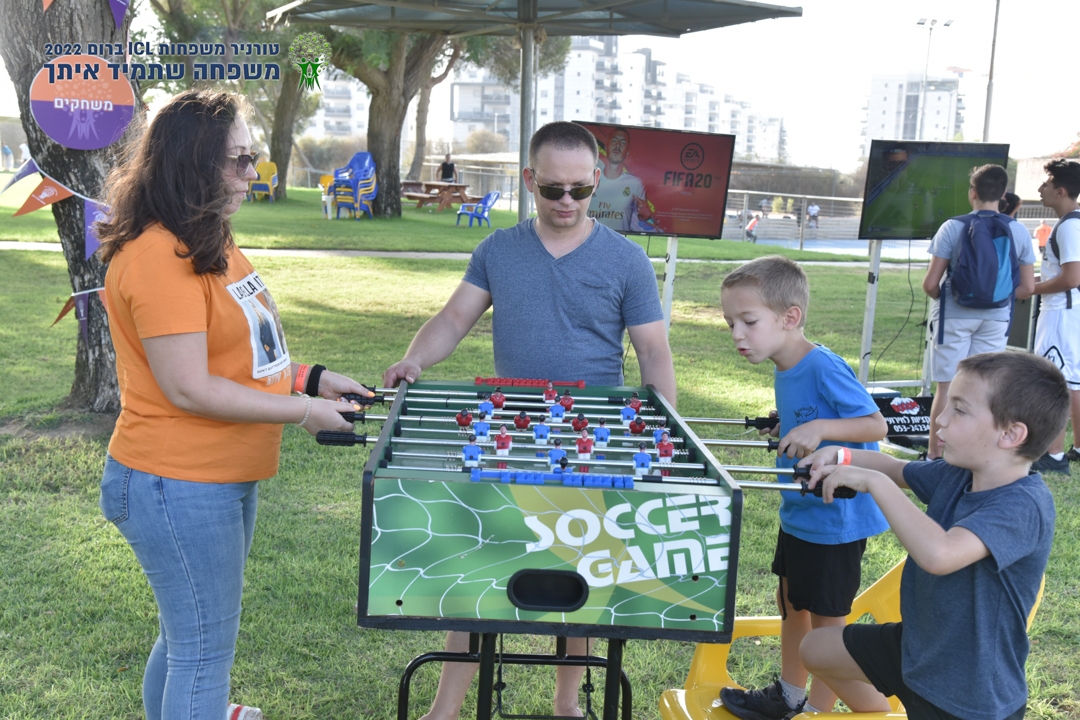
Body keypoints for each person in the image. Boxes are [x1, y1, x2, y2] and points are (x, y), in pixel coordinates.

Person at [383, 120, 675, 720]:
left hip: (592, 437)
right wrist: (414, 359)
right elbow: (453, 319)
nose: (567, 201)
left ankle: (567, 705)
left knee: (579, 569)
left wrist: (662, 426)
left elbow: (652, 351)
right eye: (552, 189)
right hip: (508, 432)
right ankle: (444, 711)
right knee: (481, 564)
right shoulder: (497, 250)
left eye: (580, 189)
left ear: (596, 181)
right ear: (528, 181)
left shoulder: (627, 260)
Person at [95, 90, 368, 720]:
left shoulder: (206, 238)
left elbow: (242, 356)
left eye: (253, 157)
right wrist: (303, 413)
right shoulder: (158, 256)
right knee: (201, 653)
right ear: (192, 164)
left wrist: (312, 379)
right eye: (238, 160)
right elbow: (189, 386)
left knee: (187, 639)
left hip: (214, 477)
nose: (253, 173)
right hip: (177, 481)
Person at [799, 351, 1066, 720]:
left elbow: (940, 554)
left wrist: (874, 483)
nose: (940, 419)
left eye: (959, 409)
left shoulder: (1024, 506)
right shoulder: (959, 473)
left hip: (970, 695)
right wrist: (840, 456)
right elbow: (894, 468)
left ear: (1010, 434)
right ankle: (876, 711)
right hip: (917, 650)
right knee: (816, 648)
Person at [718, 255, 889, 719]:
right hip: (801, 513)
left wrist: (818, 430)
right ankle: (790, 696)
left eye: (748, 321)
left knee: (827, 625)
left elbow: (874, 424)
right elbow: (812, 418)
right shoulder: (785, 364)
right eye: (731, 323)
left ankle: (828, 710)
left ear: (789, 317)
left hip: (835, 519)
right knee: (791, 605)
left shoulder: (821, 365)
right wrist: (788, 426)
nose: (737, 334)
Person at [921, 165, 1035, 460]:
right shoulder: (1018, 230)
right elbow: (1027, 288)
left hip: (953, 316)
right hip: (996, 318)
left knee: (947, 386)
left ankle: (934, 456)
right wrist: (997, 296)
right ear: (1003, 194)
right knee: (983, 388)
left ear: (972, 192)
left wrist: (949, 299)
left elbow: (930, 284)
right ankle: (975, 455)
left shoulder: (952, 227)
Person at [1029, 158, 1080, 472]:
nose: (1040, 189)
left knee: (1054, 381)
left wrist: (1029, 289)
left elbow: (1072, 278)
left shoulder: (1070, 225)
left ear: (1060, 191)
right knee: (1073, 381)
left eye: (1046, 184)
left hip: (1062, 312)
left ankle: (1054, 455)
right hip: (1070, 312)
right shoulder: (1074, 222)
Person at [588, 127, 659, 234]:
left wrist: (647, 217)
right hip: (588, 239)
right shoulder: (589, 178)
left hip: (618, 241)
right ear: (606, 147)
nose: (618, 145)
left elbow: (646, 226)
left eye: (623, 143)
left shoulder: (635, 184)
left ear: (627, 152)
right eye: (614, 141)